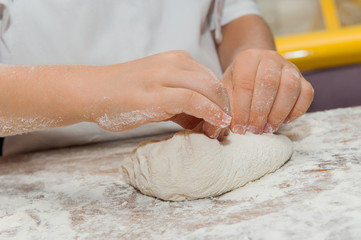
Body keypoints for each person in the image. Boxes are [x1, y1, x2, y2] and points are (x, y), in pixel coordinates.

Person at [0, 0, 313, 156]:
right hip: (48, 161)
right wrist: (90, 92)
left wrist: (253, 64)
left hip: (216, 140)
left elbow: (232, 14)